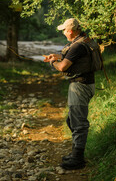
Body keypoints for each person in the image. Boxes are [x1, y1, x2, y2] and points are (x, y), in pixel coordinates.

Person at [43, 18, 96, 170]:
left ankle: (78, 159)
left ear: (71, 31)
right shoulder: (83, 40)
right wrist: (57, 56)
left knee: (78, 124)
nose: (64, 33)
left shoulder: (77, 46)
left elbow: (63, 67)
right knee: (71, 121)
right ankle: (75, 153)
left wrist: (52, 62)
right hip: (84, 85)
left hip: (80, 86)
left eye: (64, 30)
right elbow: (71, 58)